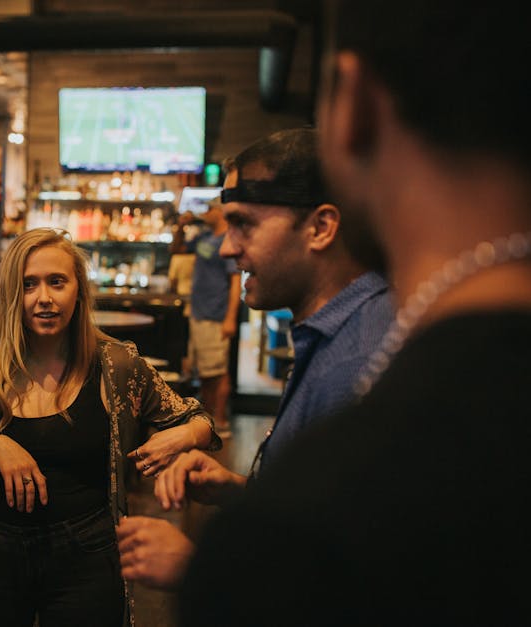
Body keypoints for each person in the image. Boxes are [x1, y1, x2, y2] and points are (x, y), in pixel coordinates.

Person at [177, 2, 531, 625]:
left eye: (242, 225)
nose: (228, 246)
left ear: (355, 106)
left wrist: (212, 562)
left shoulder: (369, 382)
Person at [117, 127, 394, 590]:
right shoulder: (336, 335)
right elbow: (320, 517)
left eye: (244, 223)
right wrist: (239, 490)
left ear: (321, 228)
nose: (227, 247)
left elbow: (364, 577)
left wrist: (201, 570)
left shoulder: (361, 363)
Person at [0, 227, 221, 627]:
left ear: (78, 291)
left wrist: (184, 436)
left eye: (57, 282)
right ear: (10, 293)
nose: (44, 298)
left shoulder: (117, 366)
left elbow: (198, 419)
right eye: (28, 284)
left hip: (86, 553)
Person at [169, 196, 241, 434]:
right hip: (199, 313)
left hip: (216, 315)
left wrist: (231, 318)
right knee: (206, 373)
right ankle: (209, 420)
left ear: (220, 212)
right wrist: (181, 225)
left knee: (218, 372)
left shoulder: (227, 241)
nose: (205, 213)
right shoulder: (204, 238)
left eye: (209, 208)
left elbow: (235, 281)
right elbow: (176, 249)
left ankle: (221, 421)